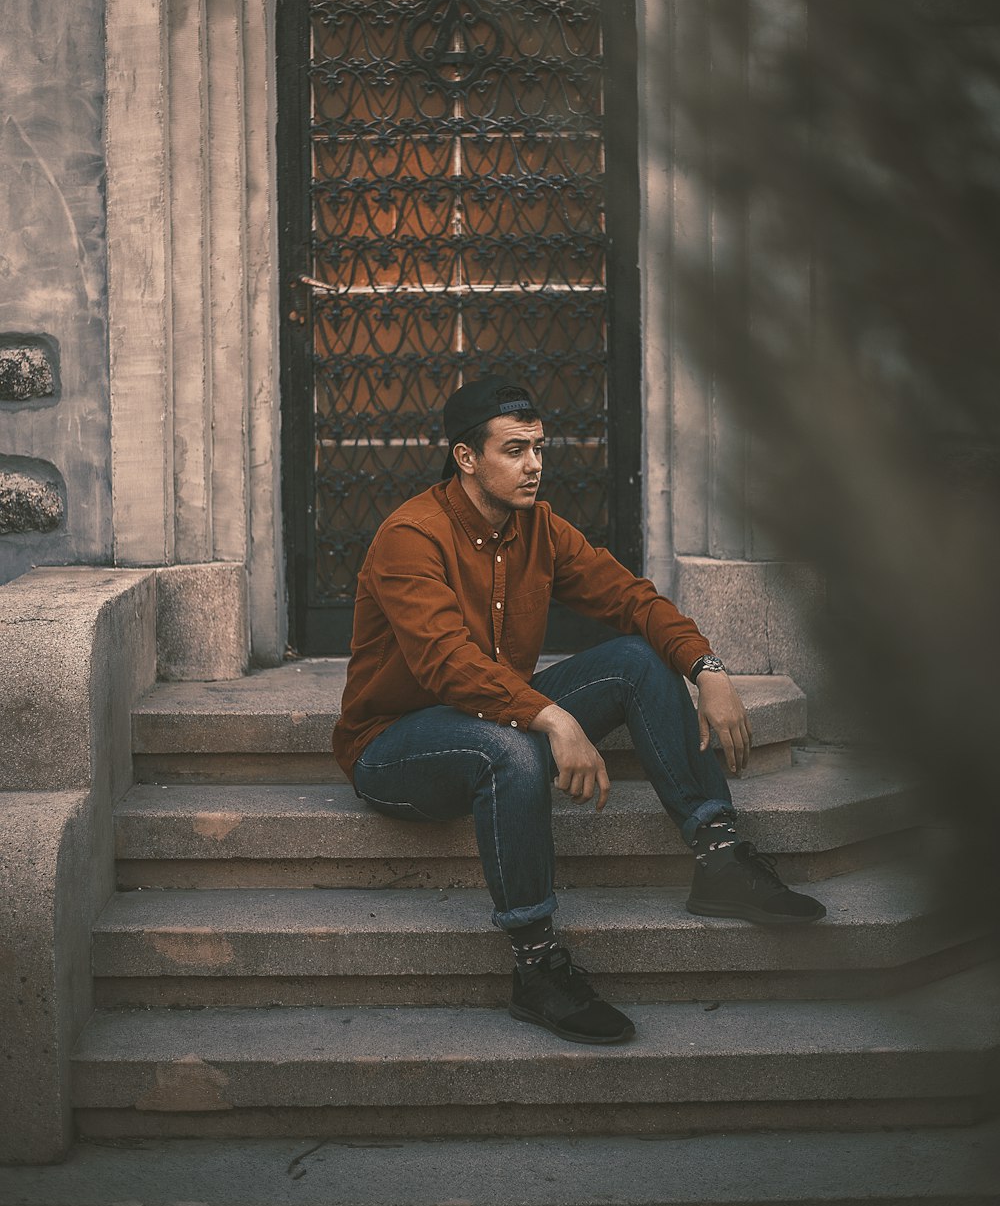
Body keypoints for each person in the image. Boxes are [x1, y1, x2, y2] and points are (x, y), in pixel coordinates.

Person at [334, 375, 825, 1045]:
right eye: (514, 450)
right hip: (395, 745)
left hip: (498, 718)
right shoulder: (410, 537)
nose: (535, 465)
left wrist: (707, 669)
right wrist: (555, 719)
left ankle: (720, 857)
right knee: (504, 747)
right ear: (466, 458)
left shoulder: (541, 528)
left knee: (636, 657)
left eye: (539, 448)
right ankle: (536, 969)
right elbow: (445, 663)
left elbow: (632, 598)